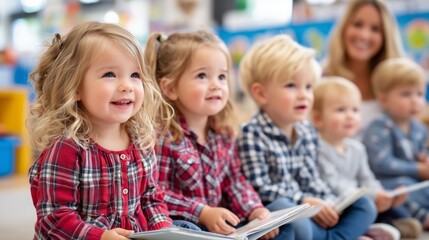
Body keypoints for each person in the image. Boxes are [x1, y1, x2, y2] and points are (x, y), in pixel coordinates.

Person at [27, 22, 178, 240]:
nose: (127, 85)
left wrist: (164, 232)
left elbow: (151, 200)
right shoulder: (67, 148)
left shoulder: (141, 141)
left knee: (187, 229)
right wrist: (100, 236)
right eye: (110, 74)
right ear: (75, 87)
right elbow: (54, 220)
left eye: (135, 74)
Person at [237, 34, 380, 240]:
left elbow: (312, 178)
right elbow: (260, 187)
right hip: (285, 211)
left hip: (310, 209)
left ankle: (335, 235)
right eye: (291, 86)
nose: (304, 95)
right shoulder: (252, 133)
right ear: (261, 94)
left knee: (365, 205)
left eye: (308, 87)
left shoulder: (306, 130)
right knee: (288, 215)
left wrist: (329, 203)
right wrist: (304, 201)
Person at [144, 29, 281, 240]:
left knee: (278, 227)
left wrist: (254, 209)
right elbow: (155, 193)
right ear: (170, 88)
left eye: (222, 76)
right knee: (186, 230)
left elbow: (233, 180)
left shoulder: (223, 132)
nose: (216, 84)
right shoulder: (162, 136)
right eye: (202, 76)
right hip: (184, 223)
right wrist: (202, 212)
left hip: (219, 225)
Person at [312, 76, 421, 239]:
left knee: (388, 204)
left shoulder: (357, 148)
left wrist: (379, 193)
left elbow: (367, 178)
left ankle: (381, 226)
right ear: (318, 118)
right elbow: (333, 183)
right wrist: (369, 195)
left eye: (355, 110)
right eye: (341, 110)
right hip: (335, 204)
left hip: (357, 198)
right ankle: (363, 232)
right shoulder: (317, 148)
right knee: (364, 208)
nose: (350, 116)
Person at [362, 58, 429, 231]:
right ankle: (417, 218)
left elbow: (422, 153)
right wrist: (418, 169)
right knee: (401, 187)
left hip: (416, 182)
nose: (415, 100)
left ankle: (412, 219)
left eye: (419, 94)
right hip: (386, 181)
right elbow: (381, 163)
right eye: (406, 94)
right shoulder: (379, 127)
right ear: (384, 99)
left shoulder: (420, 128)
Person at [323, 0, 404, 138]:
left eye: (375, 29)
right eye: (357, 24)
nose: (364, 35)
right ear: (343, 28)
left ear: (386, 37)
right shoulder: (319, 79)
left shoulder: (398, 84)